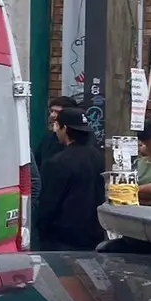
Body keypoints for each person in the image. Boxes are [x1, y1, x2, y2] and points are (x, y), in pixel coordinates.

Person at [34, 107, 106, 252]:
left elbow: (49, 203)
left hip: (63, 239)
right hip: (95, 235)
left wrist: (41, 228)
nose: (55, 130)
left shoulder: (57, 162)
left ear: (64, 128)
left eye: (57, 125)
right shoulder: (99, 157)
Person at [34, 95, 80, 171]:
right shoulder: (47, 138)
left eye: (57, 112)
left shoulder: (80, 139)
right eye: (51, 111)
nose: (52, 115)